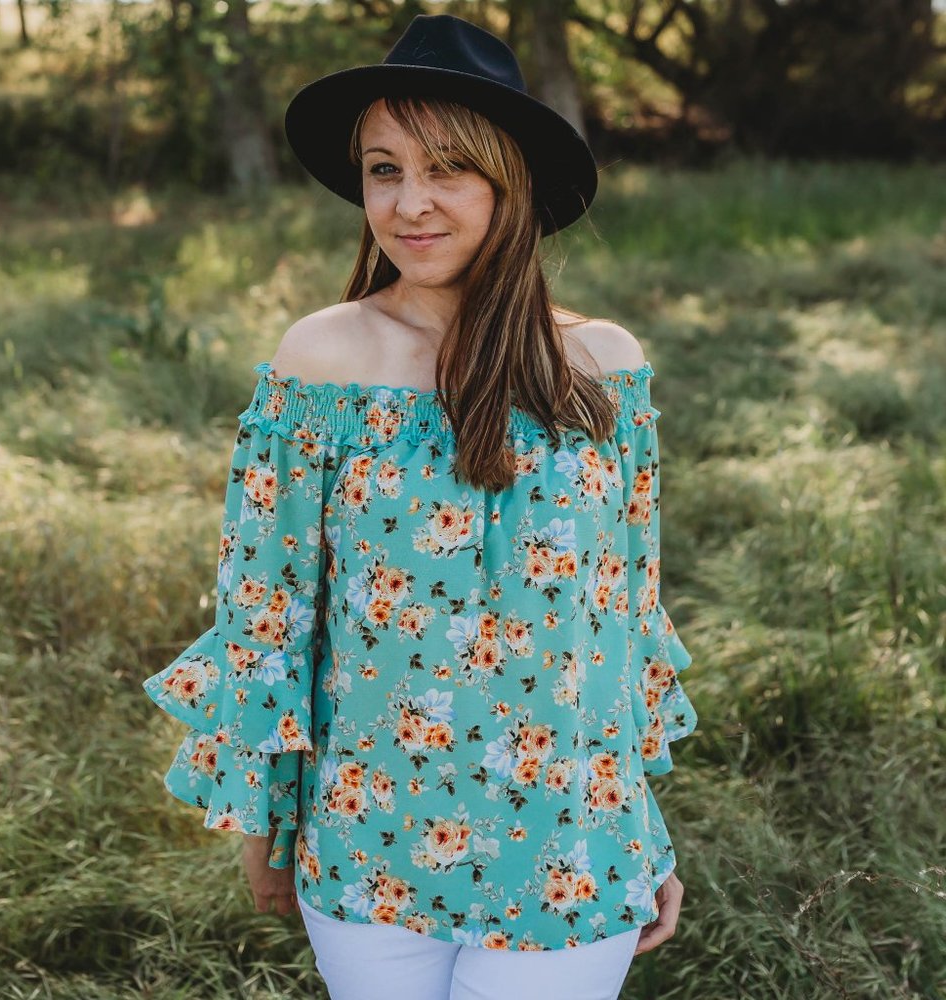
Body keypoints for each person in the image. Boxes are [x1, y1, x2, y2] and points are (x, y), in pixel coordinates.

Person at [142, 13, 698, 1000]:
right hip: (368, 845)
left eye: (447, 168)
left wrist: (641, 828)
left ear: (510, 181)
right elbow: (268, 617)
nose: (409, 203)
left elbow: (617, 627)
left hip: (568, 851)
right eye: (382, 169)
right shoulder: (322, 359)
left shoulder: (603, 366)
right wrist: (266, 820)